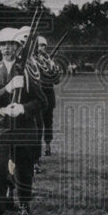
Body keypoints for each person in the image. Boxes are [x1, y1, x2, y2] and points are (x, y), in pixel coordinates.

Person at [0, 27, 47, 215]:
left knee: (25, 170)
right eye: (3, 44)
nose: (7, 48)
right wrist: (8, 89)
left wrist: (23, 108)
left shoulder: (28, 68)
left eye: (11, 44)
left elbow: (41, 101)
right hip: (1, 127)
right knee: (0, 171)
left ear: (19, 47)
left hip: (24, 127)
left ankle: (24, 205)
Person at [33, 35, 62, 167]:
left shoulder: (49, 61)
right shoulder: (32, 61)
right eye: (39, 45)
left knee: (48, 121)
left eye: (44, 46)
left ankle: (48, 145)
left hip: (49, 94)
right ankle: (35, 154)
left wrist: (53, 68)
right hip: (37, 95)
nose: (42, 48)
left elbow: (57, 80)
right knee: (36, 124)